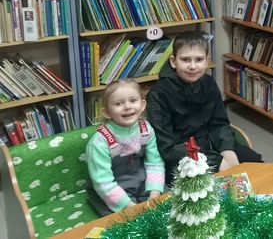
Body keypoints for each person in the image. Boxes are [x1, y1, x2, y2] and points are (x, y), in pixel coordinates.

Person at [147, 32, 262, 185]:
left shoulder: (209, 82)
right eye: (185, 59)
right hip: (183, 155)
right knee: (214, 189)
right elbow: (167, 147)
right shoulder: (158, 93)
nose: (192, 66)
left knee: (256, 167)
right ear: (173, 62)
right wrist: (216, 161)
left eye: (199, 59)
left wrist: (227, 150)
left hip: (213, 141)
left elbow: (220, 123)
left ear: (207, 61)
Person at [86, 79, 165, 216]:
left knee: (168, 205)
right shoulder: (99, 142)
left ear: (143, 105)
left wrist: (155, 193)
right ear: (107, 112)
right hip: (110, 190)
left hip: (142, 182)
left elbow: (155, 163)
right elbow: (103, 183)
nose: (127, 106)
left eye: (133, 100)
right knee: (128, 221)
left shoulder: (146, 129)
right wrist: (130, 206)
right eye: (118, 103)